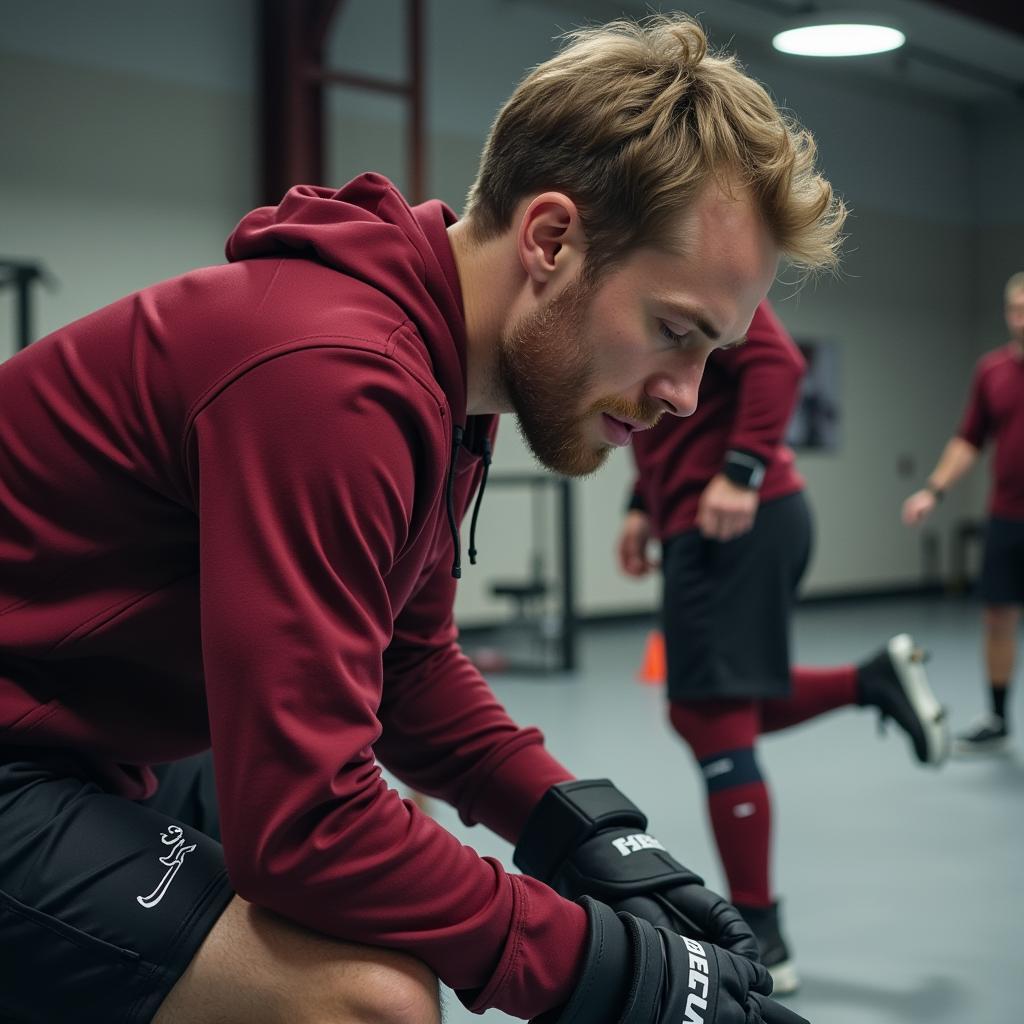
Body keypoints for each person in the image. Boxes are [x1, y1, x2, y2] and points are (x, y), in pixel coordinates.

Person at [0, 16, 845, 1024]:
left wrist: (593, 838)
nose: (684, 397)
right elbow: (304, 825)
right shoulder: (333, 380)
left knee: (398, 851)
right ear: (551, 239)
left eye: (712, 352)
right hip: (27, 746)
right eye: (672, 331)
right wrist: (608, 973)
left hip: (77, 722)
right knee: (364, 999)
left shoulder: (444, 378)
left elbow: (408, 665)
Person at [617, 300, 950, 994]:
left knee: (708, 714)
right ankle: (873, 681)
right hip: (705, 520)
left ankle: (762, 935)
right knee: (714, 708)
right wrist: (641, 504)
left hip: (738, 518)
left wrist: (741, 470)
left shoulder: (696, 265)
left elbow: (778, 362)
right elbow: (672, 410)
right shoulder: (645, 282)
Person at [902, 271, 1024, 754]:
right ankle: (997, 716)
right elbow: (969, 440)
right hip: (1007, 516)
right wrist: (933, 489)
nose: (1022, 317)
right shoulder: (991, 371)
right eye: (1015, 308)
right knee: (997, 617)